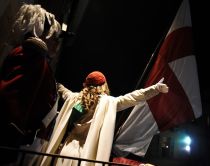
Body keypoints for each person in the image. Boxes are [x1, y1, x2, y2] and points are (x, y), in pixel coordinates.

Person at [40, 71, 168, 166]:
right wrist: (155, 89)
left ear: (86, 84)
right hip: (88, 154)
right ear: (103, 85)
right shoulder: (108, 103)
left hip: (65, 151)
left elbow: (62, 89)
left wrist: (51, 78)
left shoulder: (74, 98)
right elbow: (134, 97)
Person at [0, 3, 61, 164]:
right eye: (54, 38)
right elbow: (11, 98)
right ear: (42, 34)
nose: (57, 44)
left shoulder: (37, 58)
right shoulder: (32, 54)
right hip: (8, 141)